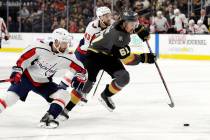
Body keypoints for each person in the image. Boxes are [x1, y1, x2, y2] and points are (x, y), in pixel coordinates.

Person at [0, 28, 86, 128]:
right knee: (10, 97)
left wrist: (80, 77)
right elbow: (23, 59)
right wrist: (17, 71)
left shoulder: (68, 56)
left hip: (44, 83)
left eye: (67, 43)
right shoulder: (39, 47)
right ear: (56, 41)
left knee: (65, 95)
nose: (66, 46)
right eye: (64, 43)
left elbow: (81, 70)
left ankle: (48, 118)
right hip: (27, 78)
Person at [79, 10, 156, 112]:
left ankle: (105, 95)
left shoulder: (121, 24)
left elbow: (133, 25)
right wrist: (144, 58)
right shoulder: (119, 37)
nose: (134, 26)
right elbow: (128, 60)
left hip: (109, 54)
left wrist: (140, 30)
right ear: (124, 23)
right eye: (132, 24)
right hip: (95, 54)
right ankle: (80, 94)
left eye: (135, 23)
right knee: (90, 78)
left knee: (124, 77)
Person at [58, 6, 113, 120]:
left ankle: (81, 93)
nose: (109, 17)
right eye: (106, 16)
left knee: (90, 77)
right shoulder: (92, 28)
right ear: (100, 17)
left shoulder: (111, 24)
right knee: (74, 70)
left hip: (96, 54)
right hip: (84, 51)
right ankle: (60, 89)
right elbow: (89, 46)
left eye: (109, 15)